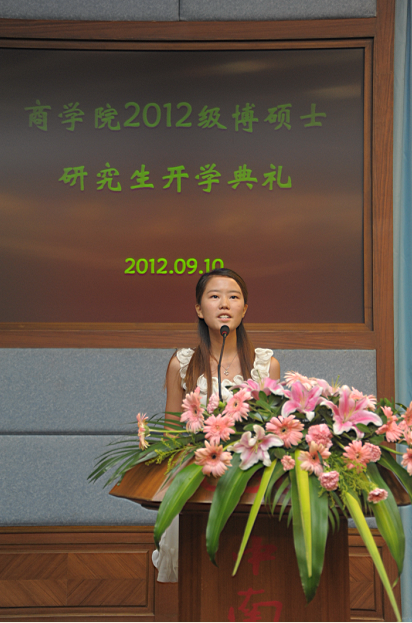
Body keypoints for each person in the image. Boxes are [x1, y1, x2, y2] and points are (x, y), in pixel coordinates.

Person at [152, 268, 280, 582]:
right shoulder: (182, 364)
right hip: (195, 486)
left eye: (233, 297)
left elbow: (274, 432)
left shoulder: (266, 365)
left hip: (247, 486)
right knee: (201, 578)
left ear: (244, 309)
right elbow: (171, 435)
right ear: (199, 309)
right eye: (214, 296)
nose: (224, 304)